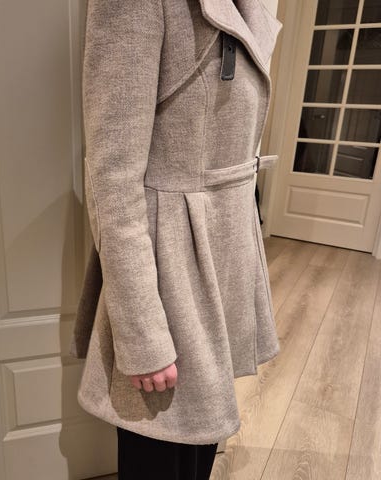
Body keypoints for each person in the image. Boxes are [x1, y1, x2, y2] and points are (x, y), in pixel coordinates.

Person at [69, 0, 284, 478]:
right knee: (161, 450)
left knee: (199, 447)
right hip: (167, 270)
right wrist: (142, 333)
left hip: (223, 253)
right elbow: (112, 179)